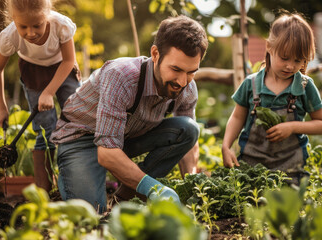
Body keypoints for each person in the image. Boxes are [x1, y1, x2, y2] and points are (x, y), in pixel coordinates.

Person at [50, 15, 208, 212]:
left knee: (188, 129)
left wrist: (191, 189)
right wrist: (155, 189)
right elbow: (107, 153)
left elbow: (189, 144)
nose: (183, 81)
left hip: (124, 137)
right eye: (176, 69)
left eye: (191, 71)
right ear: (155, 54)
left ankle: (125, 198)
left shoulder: (187, 87)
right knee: (90, 216)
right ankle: (138, 190)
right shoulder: (122, 76)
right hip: (81, 140)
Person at [222, 12, 322, 185]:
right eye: (285, 58)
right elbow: (237, 117)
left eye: (298, 60)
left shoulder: (304, 86)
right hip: (251, 167)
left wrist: (292, 126)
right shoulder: (251, 84)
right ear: (269, 47)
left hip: (291, 169)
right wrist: (226, 145)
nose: (290, 66)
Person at [0, 0, 80, 192]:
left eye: (37, 25)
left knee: (76, 119)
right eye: (23, 26)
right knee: (45, 129)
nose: (30, 33)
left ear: (47, 15)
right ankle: (44, 191)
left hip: (62, 69)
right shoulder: (10, 36)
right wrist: (1, 107)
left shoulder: (60, 25)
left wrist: (49, 92)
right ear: (13, 19)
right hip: (33, 73)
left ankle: (75, 183)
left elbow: (69, 60)